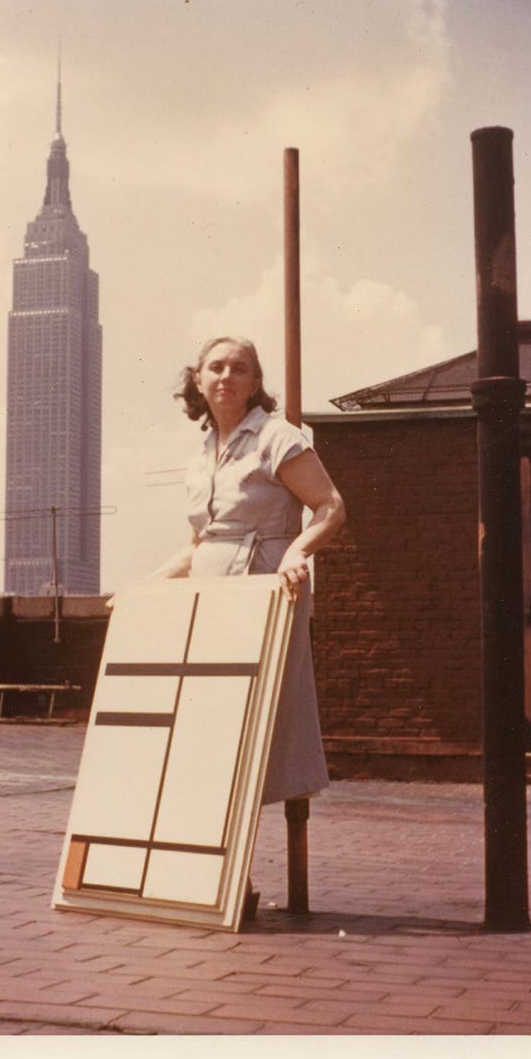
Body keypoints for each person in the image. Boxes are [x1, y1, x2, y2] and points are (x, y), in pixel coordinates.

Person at [148, 335, 346, 811]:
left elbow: (330, 506)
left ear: (255, 383)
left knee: (256, 718)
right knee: (212, 718)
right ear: (198, 380)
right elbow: (200, 542)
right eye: (216, 367)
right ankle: (225, 847)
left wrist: (298, 552)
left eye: (239, 369)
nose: (226, 377)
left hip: (263, 588)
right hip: (211, 596)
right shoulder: (202, 455)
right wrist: (144, 588)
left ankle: (240, 841)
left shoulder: (277, 437)